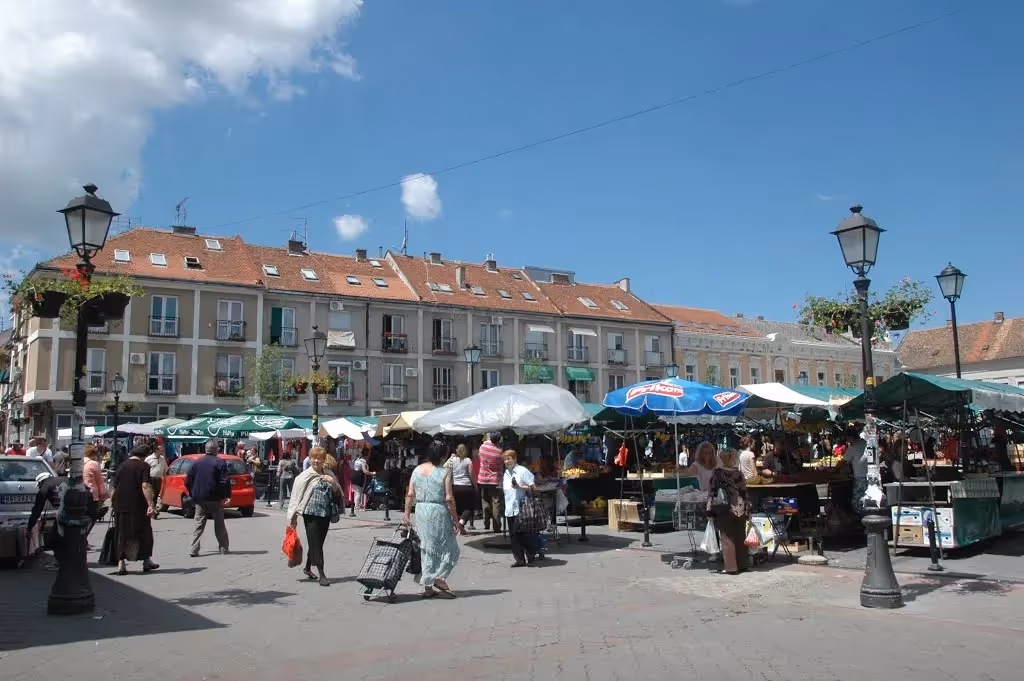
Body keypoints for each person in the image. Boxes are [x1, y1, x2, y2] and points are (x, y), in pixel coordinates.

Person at [403, 444, 464, 598]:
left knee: (427, 548)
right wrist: (456, 520)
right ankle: (439, 577)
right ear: (443, 455)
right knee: (451, 548)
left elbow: (410, 494)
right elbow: (449, 498)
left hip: (421, 510)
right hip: (438, 511)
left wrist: (406, 514)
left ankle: (428, 588)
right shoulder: (444, 472)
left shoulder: (417, 470)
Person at [287, 447, 343, 586]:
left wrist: (333, 482)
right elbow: (295, 496)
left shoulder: (329, 473)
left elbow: (338, 493)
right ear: (310, 459)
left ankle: (307, 568)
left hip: (325, 513)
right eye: (314, 458)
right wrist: (293, 517)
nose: (316, 461)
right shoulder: (304, 476)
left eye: (319, 458)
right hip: (310, 513)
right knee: (316, 543)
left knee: (317, 542)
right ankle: (322, 574)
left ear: (324, 460)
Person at [112, 444, 160, 575]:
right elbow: (145, 485)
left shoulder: (122, 465)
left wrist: (113, 504)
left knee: (122, 534)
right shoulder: (143, 466)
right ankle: (146, 560)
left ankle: (121, 564)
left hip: (120, 505)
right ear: (145, 455)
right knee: (144, 532)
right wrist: (151, 504)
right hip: (138, 505)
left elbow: (115, 487)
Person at [707, 449, 751, 575]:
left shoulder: (717, 474)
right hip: (740, 508)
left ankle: (731, 567)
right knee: (740, 536)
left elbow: (712, 493)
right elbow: (744, 492)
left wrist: (709, 510)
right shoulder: (739, 474)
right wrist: (748, 508)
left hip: (724, 508)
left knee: (727, 538)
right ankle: (743, 564)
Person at [185, 440, 231, 557]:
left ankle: (193, 549)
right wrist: (226, 495)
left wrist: (193, 493)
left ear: (205, 450)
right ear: (216, 450)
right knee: (219, 524)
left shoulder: (197, 463)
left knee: (198, 524)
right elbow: (224, 481)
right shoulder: (219, 463)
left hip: (200, 498)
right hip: (215, 498)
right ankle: (223, 548)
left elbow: (187, 480)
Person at [502, 449, 543, 568]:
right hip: (509, 507)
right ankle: (519, 559)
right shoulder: (506, 473)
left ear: (515, 459)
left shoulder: (522, 471)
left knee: (519, 533)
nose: (507, 461)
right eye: (505, 459)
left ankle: (534, 548)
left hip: (522, 507)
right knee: (513, 536)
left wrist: (519, 487)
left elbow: (533, 488)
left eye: (509, 458)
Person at [476, 433, 504, 533]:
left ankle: (486, 524)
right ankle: (496, 527)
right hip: (494, 479)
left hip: (483, 478)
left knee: (485, 500)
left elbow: (479, 457)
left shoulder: (482, 447)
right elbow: (501, 464)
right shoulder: (499, 451)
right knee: (495, 502)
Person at [446, 444, 477, 531]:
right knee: (469, 507)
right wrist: (475, 485)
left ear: (457, 450)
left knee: (459, 508)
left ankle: (460, 528)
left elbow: (447, 471)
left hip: (456, 487)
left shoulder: (452, 460)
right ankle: (461, 523)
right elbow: (471, 474)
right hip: (467, 486)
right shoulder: (468, 460)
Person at [840, 426, 869, 511]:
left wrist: (833, 469)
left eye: (847, 438)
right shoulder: (865, 443)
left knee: (857, 500)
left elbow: (843, 462)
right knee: (867, 498)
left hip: (860, 477)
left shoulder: (853, 447)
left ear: (851, 437)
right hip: (869, 475)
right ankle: (866, 514)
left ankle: (860, 517)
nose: (846, 440)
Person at [82, 444, 109, 530]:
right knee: (91, 518)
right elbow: (99, 482)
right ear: (93, 454)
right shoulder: (93, 464)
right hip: (91, 495)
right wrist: (104, 495)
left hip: (77, 494)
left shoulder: (77, 462)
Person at [144, 444, 169, 515]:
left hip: (159, 479)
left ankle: (153, 508)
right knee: (151, 494)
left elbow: (165, 469)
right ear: (156, 450)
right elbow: (144, 469)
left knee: (156, 494)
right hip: (150, 478)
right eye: (161, 449)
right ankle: (153, 510)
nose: (162, 450)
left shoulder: (162, 458)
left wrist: (165, 477)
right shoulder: (149, 459)